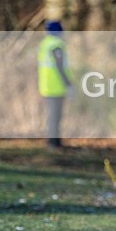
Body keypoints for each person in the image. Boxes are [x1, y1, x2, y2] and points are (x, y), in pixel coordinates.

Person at [38, 20, 74, 149]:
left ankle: (55, 143)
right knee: (55, 116)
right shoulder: (56, 45)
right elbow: (60, 67)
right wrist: (68, 84)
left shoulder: (46, 43)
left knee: (54, 116)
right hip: (55, 86)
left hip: (48, 86)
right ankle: (53, 144)